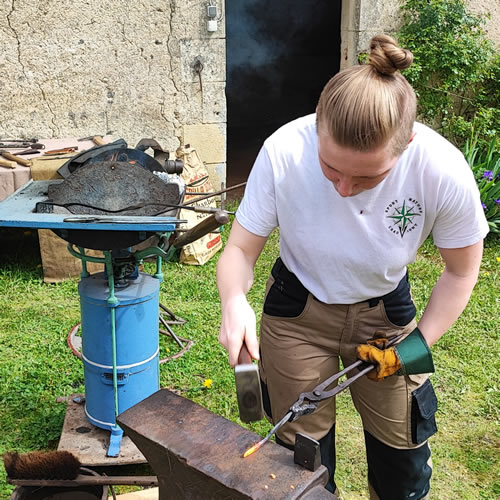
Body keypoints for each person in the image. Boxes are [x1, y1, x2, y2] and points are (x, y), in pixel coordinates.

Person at [216, 34, 489, 499]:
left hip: (385, 318)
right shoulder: (285, 150)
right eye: (329, 168)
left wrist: (420, 342)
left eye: (367, 177)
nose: (343, 188)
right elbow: (240, 250)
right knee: (301, 460)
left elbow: (461, 271)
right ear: (316, 127)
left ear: (407, 144)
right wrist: (234, 300)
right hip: (297, 313)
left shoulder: (441, 169)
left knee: (403, 454)